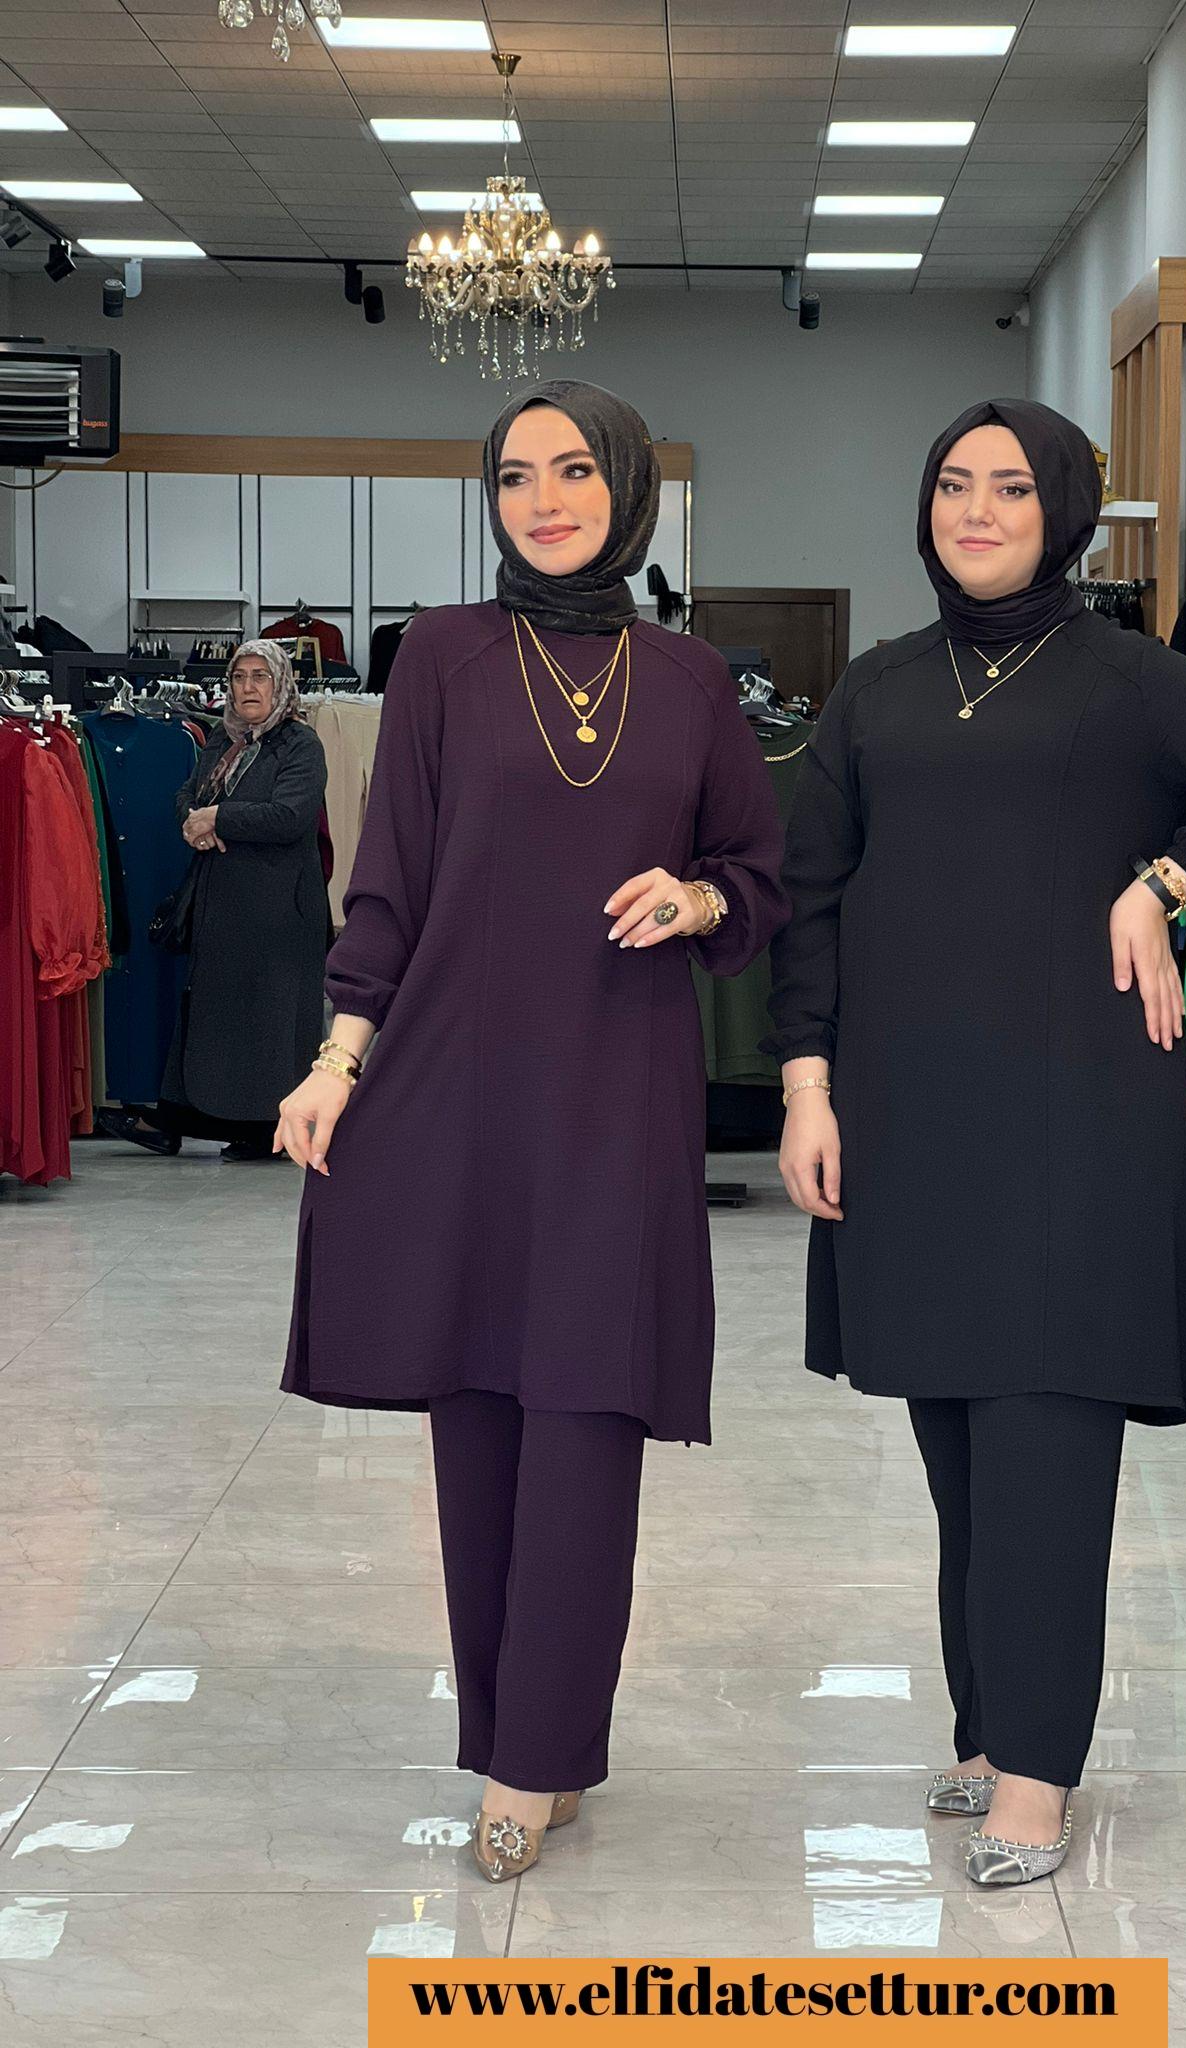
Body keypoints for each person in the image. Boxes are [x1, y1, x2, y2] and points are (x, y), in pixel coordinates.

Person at [765, 398, 1186, 1888]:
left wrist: (1168, 880)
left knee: (1044, 1448)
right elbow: (811, 894)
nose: (976, 509)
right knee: (959, 1448)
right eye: (953, 483)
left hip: (1078, 1124)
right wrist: (808, 1086)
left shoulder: (1130, 678)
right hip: (911, 1119)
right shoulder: (878, 689)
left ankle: (1036, 1770)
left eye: (1011, 488)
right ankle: (987, 1729)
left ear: (1064, 514)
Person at [273, 380, 788, 1885]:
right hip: (456, 1083)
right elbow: (391, 879)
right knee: (478, 1422)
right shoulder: (441, 654)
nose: (544, 500)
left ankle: (539, 1752)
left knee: (586, 1417)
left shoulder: (691, 679)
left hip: (616, 1095)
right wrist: (339, 1055)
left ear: (627, 488)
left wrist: (697, 896)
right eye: (514, 476)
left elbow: (759, 873)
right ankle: (514, 1738)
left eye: (572, 471)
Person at [98, 640, 329, 1161]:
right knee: (210, 1017)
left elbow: (290, 816)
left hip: (278, 912)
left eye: (260, 677)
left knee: (269, 1022)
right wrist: (194, 821)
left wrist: (218, 819)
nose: (248, 688)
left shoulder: (300, 744)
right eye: (239, 677)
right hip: (220, 903)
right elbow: (188, 794)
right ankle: (178, 1120)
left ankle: (268, 1132)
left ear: (281, 684)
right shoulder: (223, 738)